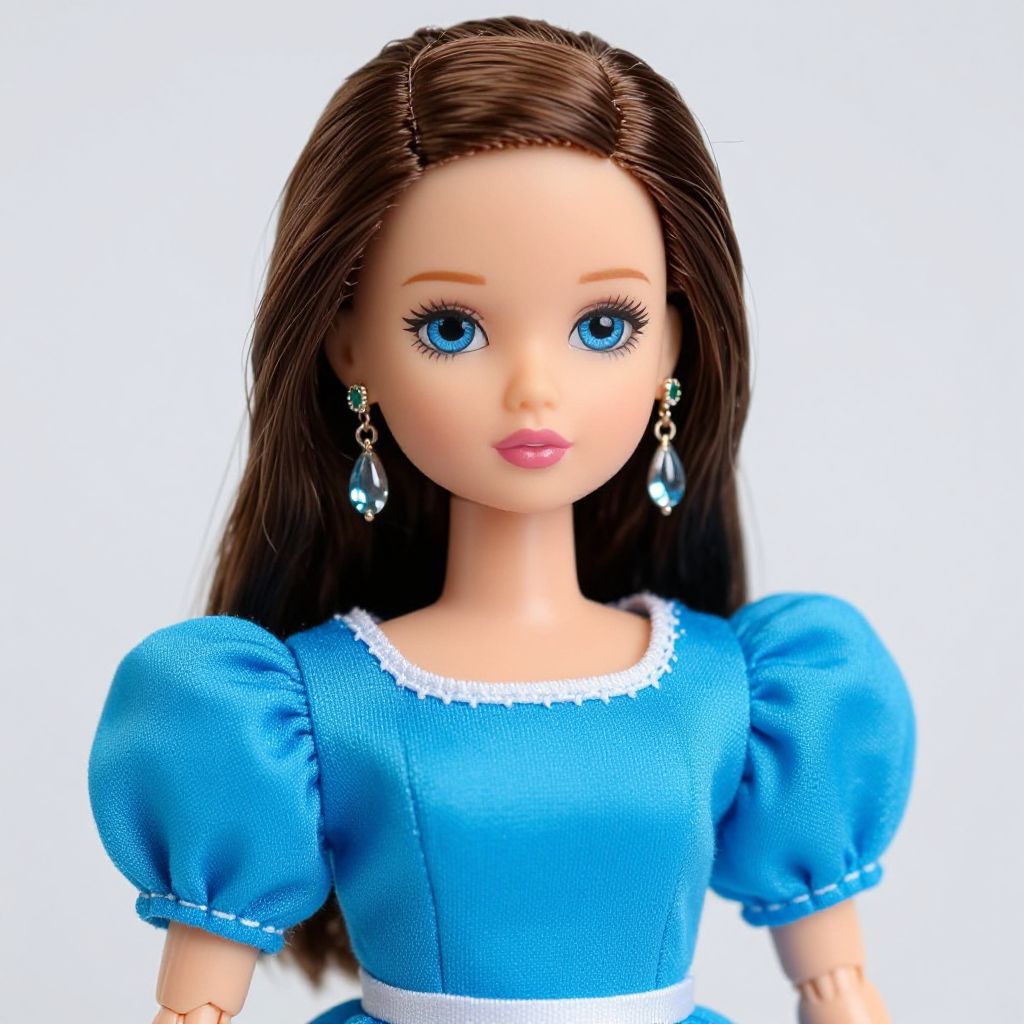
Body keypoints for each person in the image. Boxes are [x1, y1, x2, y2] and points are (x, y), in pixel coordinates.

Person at [87, 16, 916, 1024]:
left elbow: (838, 984)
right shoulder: (297, 706)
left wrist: (842, 992)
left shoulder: (744, 687)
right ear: (350, 350)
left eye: (602, 326)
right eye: (450, 328)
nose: (534, 389)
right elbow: (195, 1008)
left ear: (671, 347)